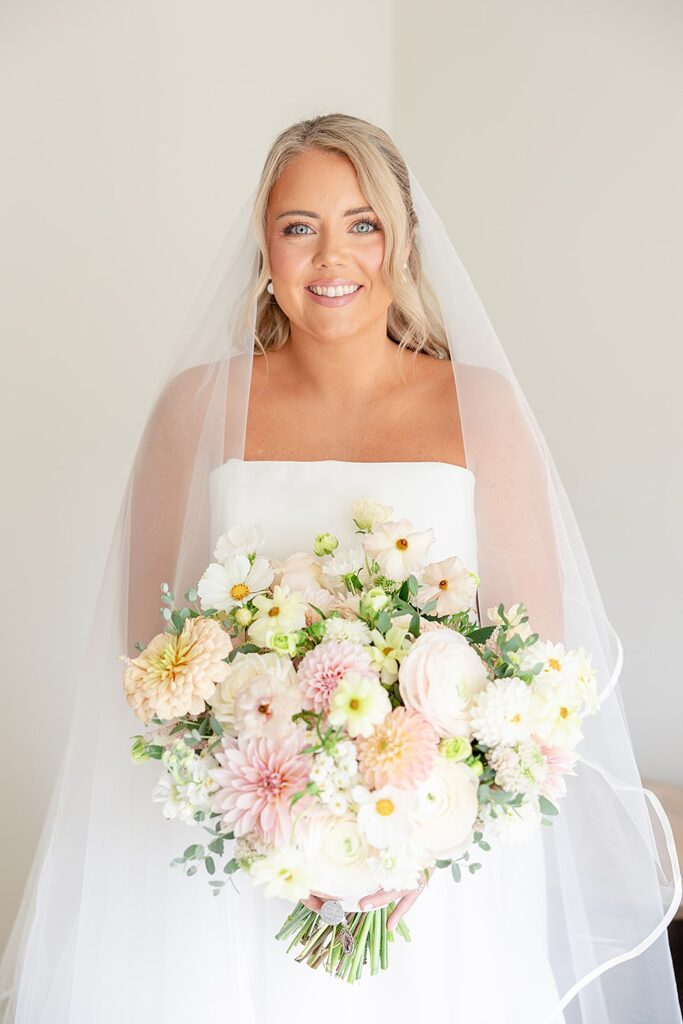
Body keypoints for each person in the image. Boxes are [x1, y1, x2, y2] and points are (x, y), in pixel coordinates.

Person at [1, 113, 680, 1023]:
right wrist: (272, 818)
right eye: (299, 227)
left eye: (362, 224)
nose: (332, 257)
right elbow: (151, 662)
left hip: (435, 875)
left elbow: (537, 673)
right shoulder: (193, 406)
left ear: (402, 241)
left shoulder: (480, 407)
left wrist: (417, 839)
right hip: (237, 861)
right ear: (265, 246)